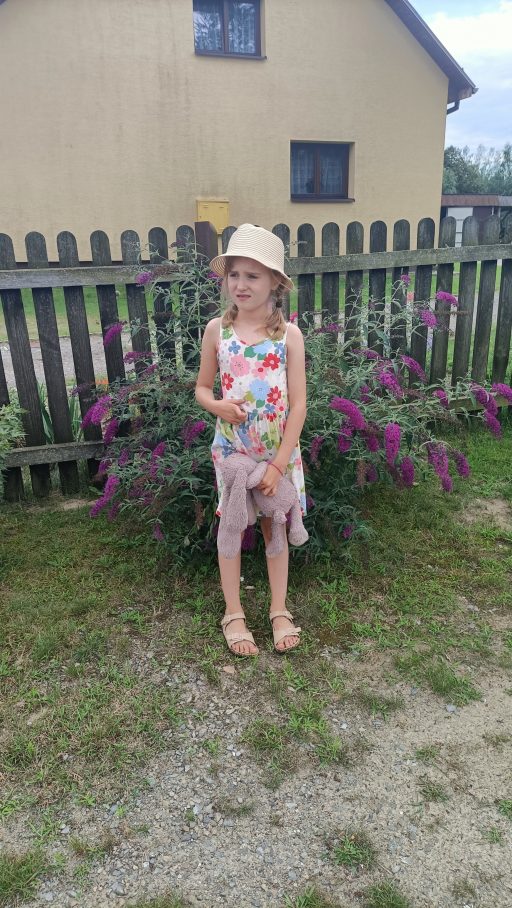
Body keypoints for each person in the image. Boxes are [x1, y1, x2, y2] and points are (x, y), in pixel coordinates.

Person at [195, 224, 307, 656]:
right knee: (232, 525)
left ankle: (279, 609)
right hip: (233, 454)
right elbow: (202, 388)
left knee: (274, 524)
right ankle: (234, 612)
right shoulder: (217, 331)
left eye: (252, 276)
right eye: (234, 275)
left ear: (275, 282)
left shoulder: (288, 336)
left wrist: (279, 464)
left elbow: (299, 405)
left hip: (277, 456)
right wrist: (217, 406)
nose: (240, 284)